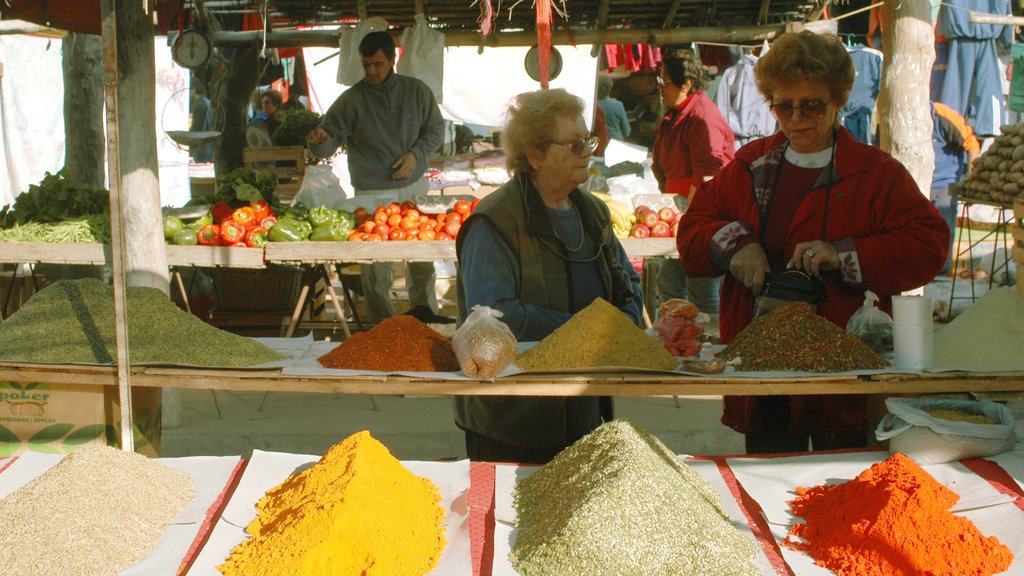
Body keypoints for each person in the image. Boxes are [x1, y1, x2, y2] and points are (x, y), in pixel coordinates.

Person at [676, 31, 950, 454]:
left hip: (847, 371)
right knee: (769, 475)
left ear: (838, 100)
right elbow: (693, 229)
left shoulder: (876, 173)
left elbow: (928, 244)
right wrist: (735, 244)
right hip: (764, 371)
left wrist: (845, 256)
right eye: (784, 105)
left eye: (812, 105)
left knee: (843, 480)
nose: (797, 117)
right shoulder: (751, 166)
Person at [454, 88, 645, 464]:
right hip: (512, 421)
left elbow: (629, 287)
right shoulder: (495, 221)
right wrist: (589, 332)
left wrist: (623, 324)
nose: (587, 151)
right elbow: (492, 317)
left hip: (586, 413)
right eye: (573, 144)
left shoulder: (592, 213)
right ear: (535, 155)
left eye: (587, 140)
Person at [307, 31, 445, 322]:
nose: (371, 70)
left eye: (377, 64)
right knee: (375, 266)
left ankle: (427, 320)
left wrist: (416, 155)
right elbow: (328, 137)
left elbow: (435, 130)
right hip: (371, 193)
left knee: (422, 260)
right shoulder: (351, 99)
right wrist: (319, 140)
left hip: (413, 187)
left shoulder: (417, 91)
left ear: (393, 59)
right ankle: (380, 327)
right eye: (366, 64)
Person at [651, 48, 735, 318]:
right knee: (670, 287)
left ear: (686, 83)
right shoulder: (674, 115)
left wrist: (691, 217)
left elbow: (708, 173)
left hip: (698, 215)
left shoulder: (702, 116)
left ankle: (709, 348)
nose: (660, 89)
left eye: (664, 82)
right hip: (678, 214)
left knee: (702, 293)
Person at [931, 101, 980, 276]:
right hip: (915, 183)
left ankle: (941, 274)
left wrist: (971, 180)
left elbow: (972, 144)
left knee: (944, 228)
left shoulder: (942, 116)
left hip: (946, 183)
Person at [596, 75, 632, 142]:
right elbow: (627, 132)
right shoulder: (618, 105)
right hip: (616, 143)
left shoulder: (591, 105)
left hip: (597, 143)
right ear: (610, 89)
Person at [189, 84, 214, 163]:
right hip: (208, 142)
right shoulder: (206, 101)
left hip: (201, 145)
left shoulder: (199, 105)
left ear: (194, 89)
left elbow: (197, 126)